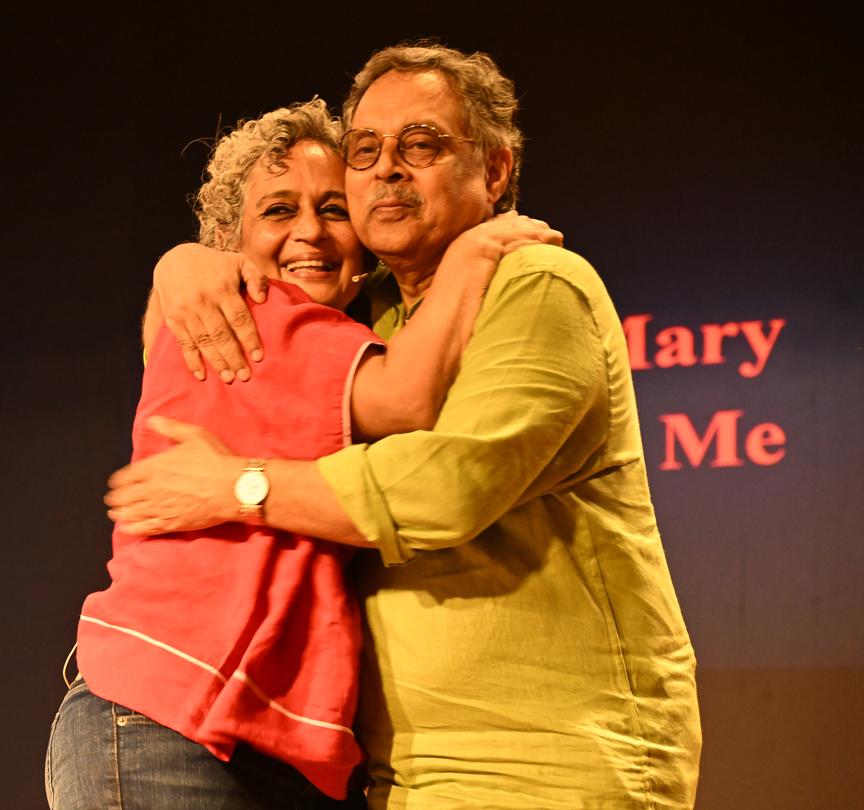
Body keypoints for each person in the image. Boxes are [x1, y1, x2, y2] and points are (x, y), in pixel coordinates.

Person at [106, 43, 702, 808]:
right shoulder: (364, 316)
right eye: (367, 150)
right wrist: (185, 263)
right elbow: (223, 323)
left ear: (494, 172)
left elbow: (447, 488)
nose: (387, 168)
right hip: (395, 777)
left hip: (551, 762)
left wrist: (239, 486)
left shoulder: (539, 284)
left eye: (421, 145)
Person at [46, 97, 560, 809]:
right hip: (165, 718)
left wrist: (178, 262)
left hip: (242, 736)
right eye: (279, 211)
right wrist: (474, 255)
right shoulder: (265, 317)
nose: (310, 232)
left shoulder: (258, 322)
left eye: (333, 209)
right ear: (229, 236)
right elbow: (407, 397)